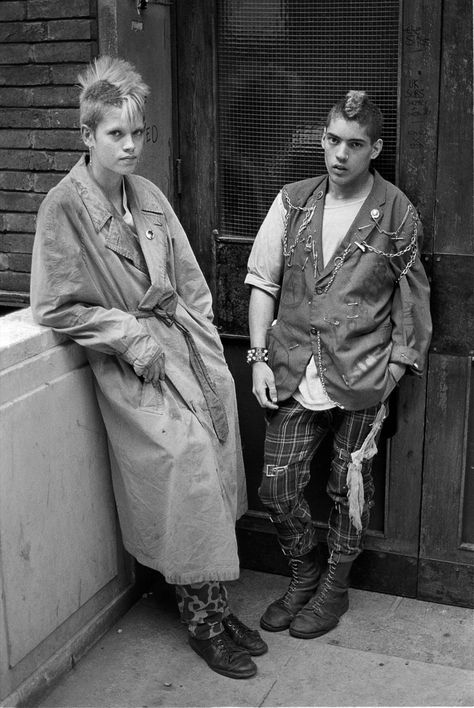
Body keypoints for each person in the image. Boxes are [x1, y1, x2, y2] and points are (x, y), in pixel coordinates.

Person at [30, 55, 267, 679]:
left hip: (187, 351)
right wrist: (127, 336)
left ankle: (213, 602)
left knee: (215, 461)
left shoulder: (149, 194)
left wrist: (204, 334)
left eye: (138, 133)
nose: (131, 145)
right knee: (184, 469)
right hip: (135, 362)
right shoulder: (65, 208)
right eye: (117, 134)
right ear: (88, 136)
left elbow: (188, 277)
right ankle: (203, 625)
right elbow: (54, 305)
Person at [245, 91, 432, 639]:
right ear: (321, 139)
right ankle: (303, 574)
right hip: (292, 371)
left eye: (354, 144)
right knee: (277, 486)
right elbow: (263, 282)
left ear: (374, 148)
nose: (339, 153)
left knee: (349, 489)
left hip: (362, 377)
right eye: (331, 140)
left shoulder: (396, 212)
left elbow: (413, 298)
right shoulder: (293, 202)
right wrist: (256, 358)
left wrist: (394, 370)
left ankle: (335, 587)